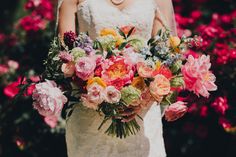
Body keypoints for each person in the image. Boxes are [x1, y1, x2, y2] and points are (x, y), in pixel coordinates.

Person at [57, 0, 177, 156]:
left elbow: (165, 56)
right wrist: (99, 94)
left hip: (141, 113)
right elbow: (65, 56)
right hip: (90, 106)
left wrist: (141, 100)